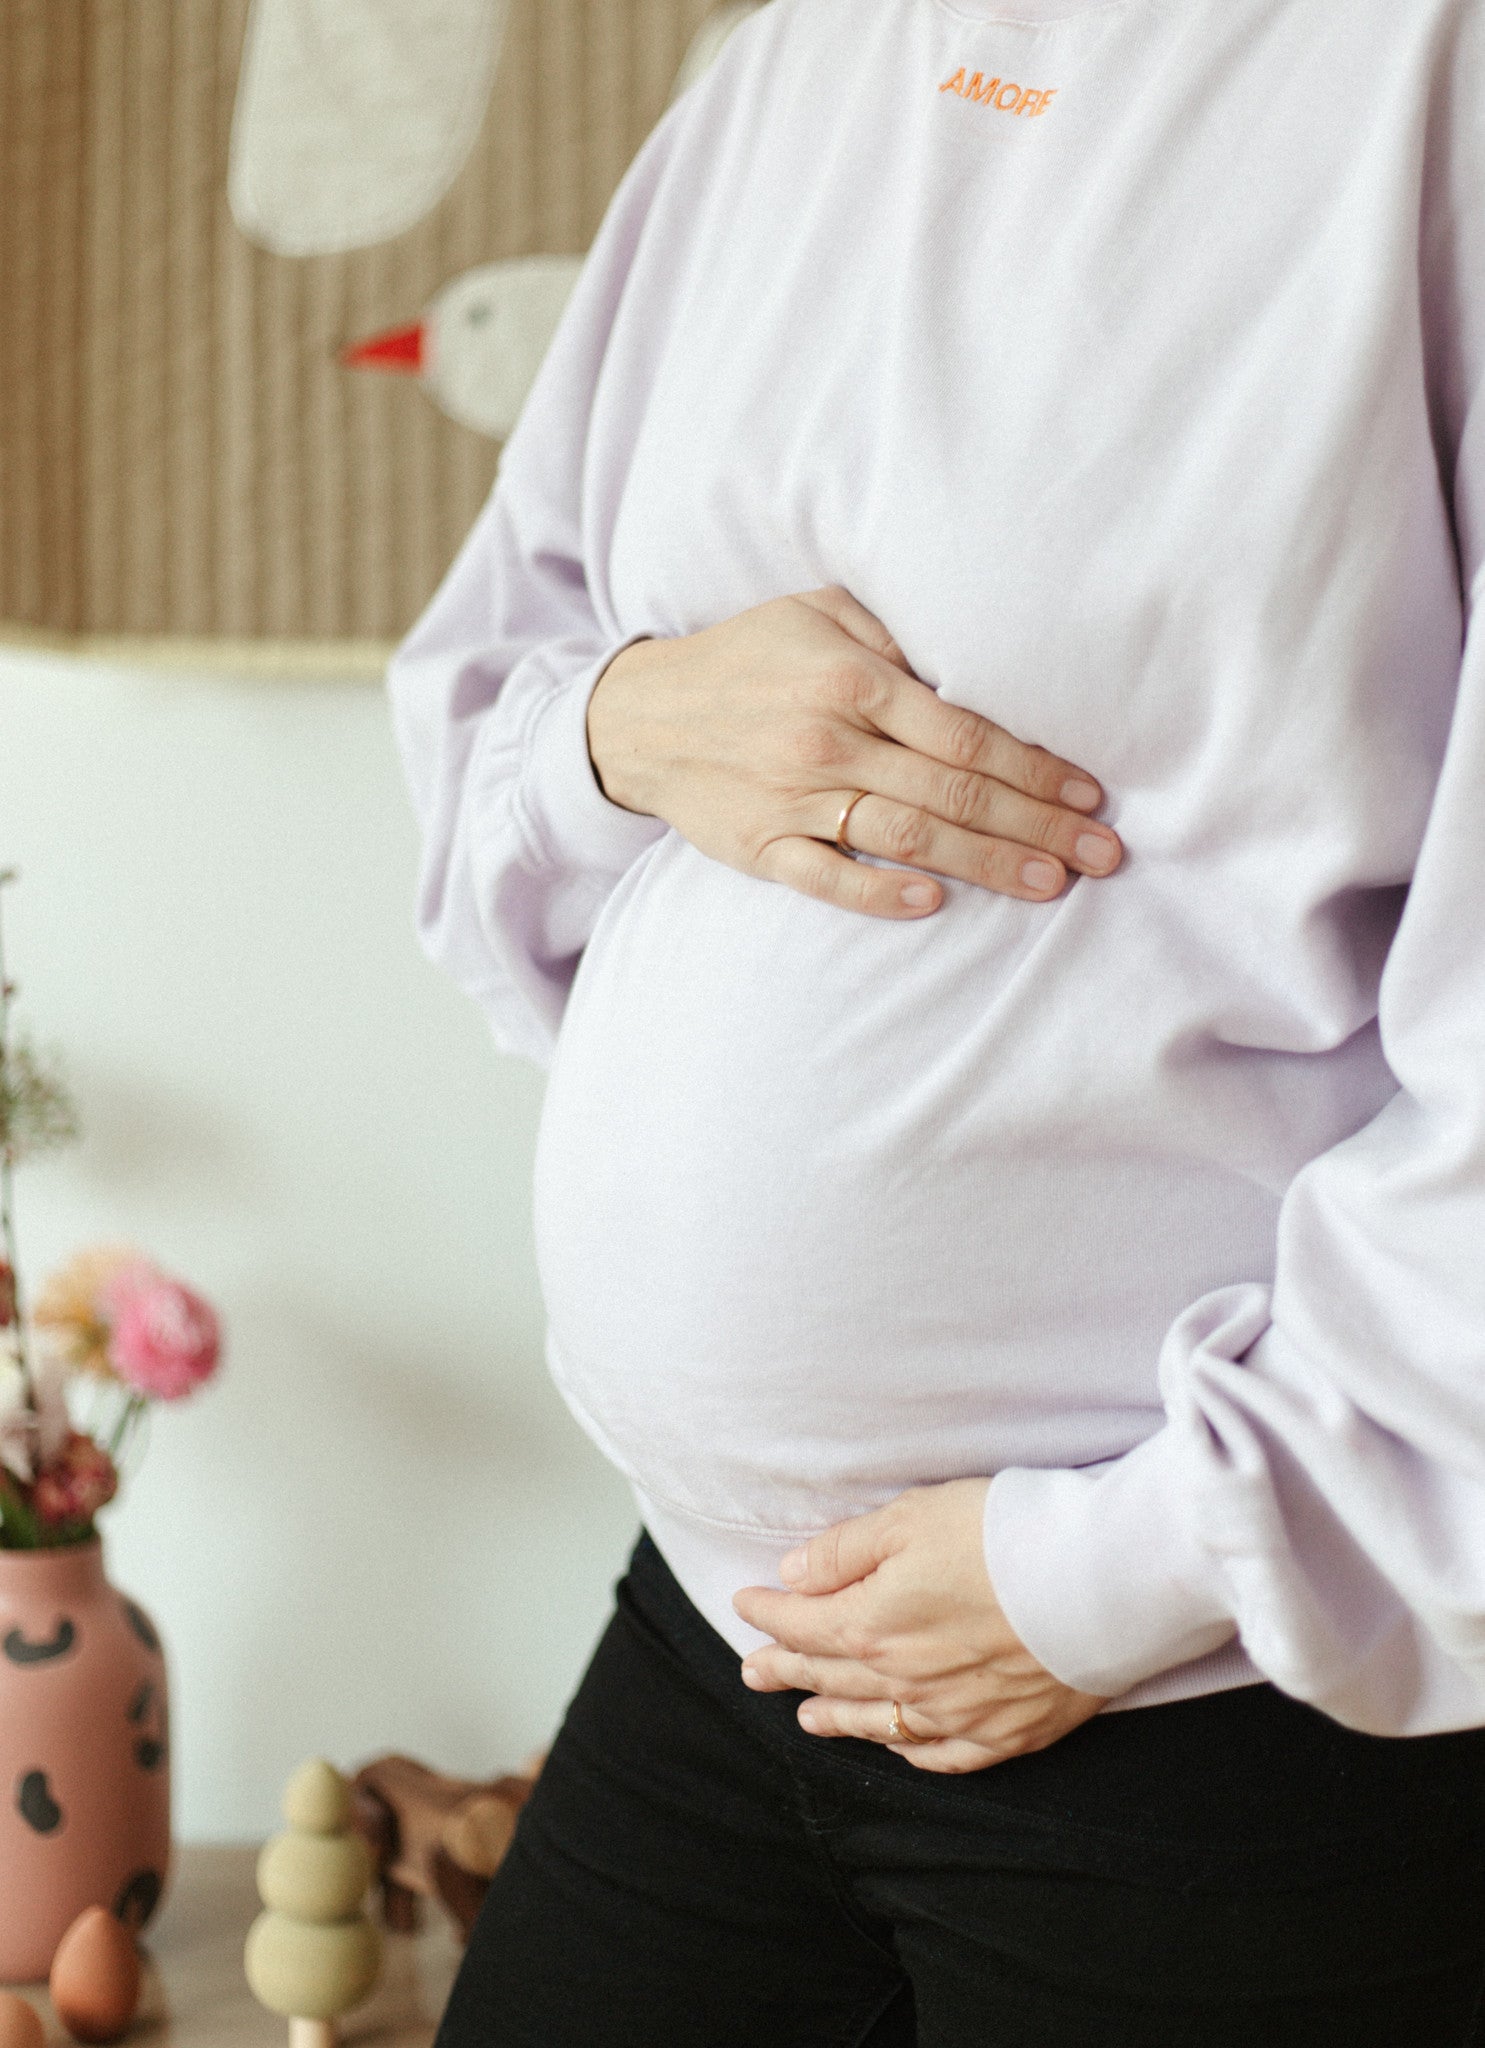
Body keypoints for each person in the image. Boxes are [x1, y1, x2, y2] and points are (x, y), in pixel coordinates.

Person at [388, 0, 1485, 2039]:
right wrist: (624, 731)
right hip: (717, 1636)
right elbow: (500, 687)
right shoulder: (806, 53)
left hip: (1216, 1727)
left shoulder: (1429, 77)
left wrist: (1105, 1577)